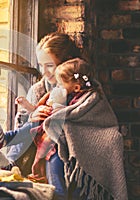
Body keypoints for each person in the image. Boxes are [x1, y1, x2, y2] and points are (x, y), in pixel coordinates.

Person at [0, 32, 81, 197]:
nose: (45, 72)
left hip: (59, 141)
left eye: (50, 66)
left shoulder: (79, 85)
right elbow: (24, 124)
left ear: (65, 63)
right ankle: (8, 157)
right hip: (36, 140)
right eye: (41, 65)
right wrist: (33, 115)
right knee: (32, 125)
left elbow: (87, 113)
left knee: (47, 140)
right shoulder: (39, 90)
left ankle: (8, 152)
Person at [41, 58, 128, 200]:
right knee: (55, 159)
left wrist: (60, 112)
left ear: (76, 87)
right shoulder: (70, 96)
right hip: (66, 147)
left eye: (61, 84)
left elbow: (86, 117)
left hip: (98, 133)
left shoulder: (93, 97)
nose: (58, 88)